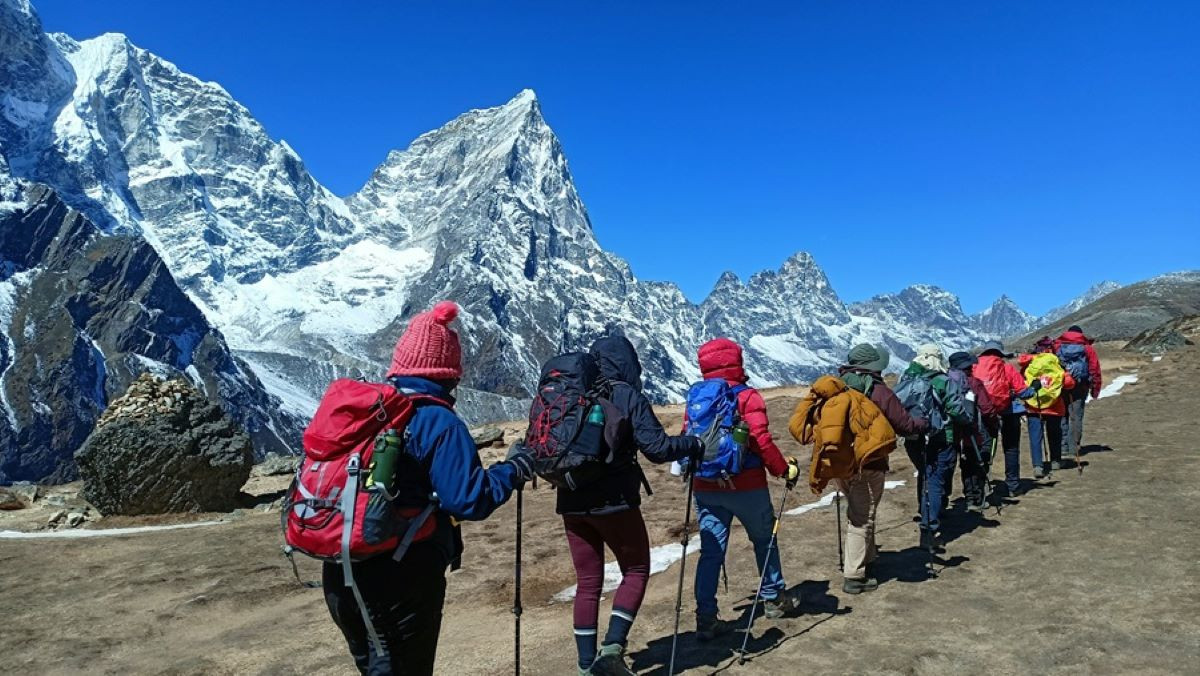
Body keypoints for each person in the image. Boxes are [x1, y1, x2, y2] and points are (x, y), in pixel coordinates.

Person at [322, 301, 535, 676]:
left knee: (372, 666)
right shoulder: (437, 420)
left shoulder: (370, 410)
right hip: (401, 572)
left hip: (339, 568)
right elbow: (468, 499)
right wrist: (512, 470)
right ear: (448, 370)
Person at [557, 336, 703, 676]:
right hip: (614, 503)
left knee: (588, 581)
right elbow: (658, 448)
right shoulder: (625, 394)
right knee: (636, 569)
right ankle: (611, 650)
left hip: (570, 501)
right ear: (627, 363)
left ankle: (584, 667)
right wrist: (691, 444)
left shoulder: (575, 394)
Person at [685, 338, 801, 640]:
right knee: (764, 540)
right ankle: (774, 598)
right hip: (747, 484)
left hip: (706, 485)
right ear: (737, 361)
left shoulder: (697, 399)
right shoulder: (747, 397)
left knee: (711, 551)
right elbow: (760, 440)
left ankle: (706, 616)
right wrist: (782, 469)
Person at [837, 344, 928, 593]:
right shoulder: (879, 392)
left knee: (861, 511)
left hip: (840, 463)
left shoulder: (836, 387)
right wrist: (924, 423)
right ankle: (854, 576)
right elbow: (905, 425)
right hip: (870, 462)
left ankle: (867, 560)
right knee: (862, 517)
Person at [896, 344, 969, 552]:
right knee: (936, 478)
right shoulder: (943, 381)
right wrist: (967, 420)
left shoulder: (906, 378)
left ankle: (926, 511)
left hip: (912, 437)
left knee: (924, 473)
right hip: (940, 437)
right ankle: (929, 528)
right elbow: (956, 409)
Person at [972, 341, 1037, 496]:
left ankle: (980, 488)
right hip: (1008, 412)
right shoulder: (1006, 367)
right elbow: (1024, 393)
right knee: (1011, 448)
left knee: (985, 449)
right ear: (1000, 353)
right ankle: (1013, 486)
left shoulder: (974, 367)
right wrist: (1035, 387)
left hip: (984, 414)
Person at [946, 351, 1001, 512]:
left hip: (954, 431)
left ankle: (969, 496)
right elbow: (985, 408)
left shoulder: (946, 381)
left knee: (965, 464)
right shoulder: (974, 383)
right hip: (974, 429)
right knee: (977, 461)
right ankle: (977, 498)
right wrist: (994, 424)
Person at [1019, 337, 1076, 477]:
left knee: (1035, 437)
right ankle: (1055, 461)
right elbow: (1069, 383)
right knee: (1054, 434)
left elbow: (1021, 382)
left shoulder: (1029, 364)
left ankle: (1038, 466)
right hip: (1054, 406)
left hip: (1033, 406)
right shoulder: (1056, 362)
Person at [1055, 325, 1103, 465]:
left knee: (1062, 415)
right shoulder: (1087, 348)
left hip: (1062, 386)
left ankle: (1062, 446)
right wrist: (1095, 390)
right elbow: (1094, 369)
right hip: (1080, 387)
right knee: (1076, 417)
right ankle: (1073, 447)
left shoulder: (1057, 346)